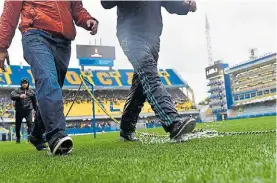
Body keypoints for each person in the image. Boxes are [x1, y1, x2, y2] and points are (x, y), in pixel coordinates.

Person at [0, 1, 98, 155]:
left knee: (53, 87)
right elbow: (10, 10)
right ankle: (57, 136)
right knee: (48, 80)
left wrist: (87, 20)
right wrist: (2, 45)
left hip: (63, 42)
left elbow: (76, 8)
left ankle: (37, 135)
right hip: (35, 34)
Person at [101, 1, 197, 141]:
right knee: (150, 77)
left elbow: (170, 3)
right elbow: (106, 3)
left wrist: (186, 6)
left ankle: (126, 129)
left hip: (153, 40)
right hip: (131, 36)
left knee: (140, 86)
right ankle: (173, 123)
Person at [11, 78, 36, 144]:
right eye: (23, 83)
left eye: (26, 83)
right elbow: (12, 96)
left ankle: (30, 139)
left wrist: (36, 110)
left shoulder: (31, 91)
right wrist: (19, 96)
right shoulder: (17, 90)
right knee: (18, 125)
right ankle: (18, 138)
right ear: (21, 84)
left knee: (30, 124)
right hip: (19, 110)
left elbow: (34, 101)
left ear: (28, 84)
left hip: (28, 110)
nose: (24, 84)